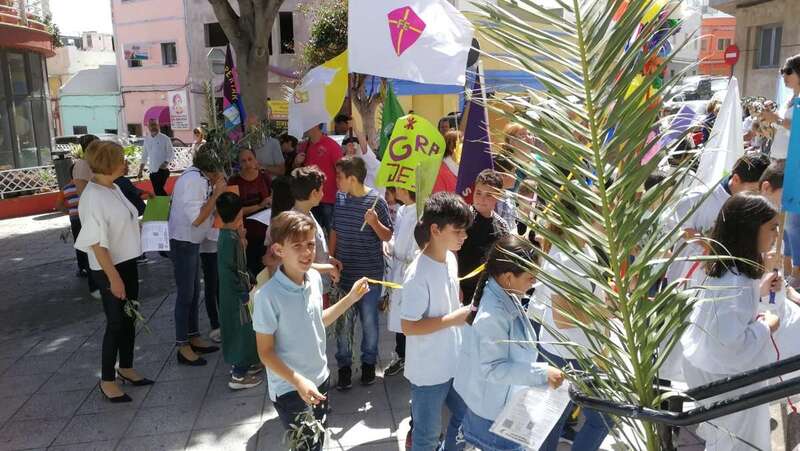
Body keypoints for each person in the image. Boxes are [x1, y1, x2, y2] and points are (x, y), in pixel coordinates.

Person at [253, 211, 370, 451]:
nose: (307, 252)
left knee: (317, 439)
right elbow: (265, 352)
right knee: (308, 445)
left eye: (310, 244)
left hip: (319, 378)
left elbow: (318, 321)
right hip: (290, 389)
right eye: (297, 246)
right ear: (278, 250)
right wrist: (298, 381)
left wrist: (350, 298)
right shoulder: (267, 297)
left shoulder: (315, 278)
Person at [681, 193, 782, 451]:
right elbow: (729, 345)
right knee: (736, 444)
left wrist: (759, 290)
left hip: (717, 375)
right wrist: (766, 326)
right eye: (772, 228)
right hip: (727, 382)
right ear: (750, 230)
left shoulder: (731, 272)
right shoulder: (735, 282)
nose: (776, 235)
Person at [454, 235, 564, 451]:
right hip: (494, 416)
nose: (533, 284)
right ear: (507, 277)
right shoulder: (492, 315)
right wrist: (541, 373)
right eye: (530, 278)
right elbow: (493, 368)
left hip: (502, 406)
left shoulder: (505, 292)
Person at [74, 140, 154, 403]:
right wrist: (113, 278)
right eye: (121, 158)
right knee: (116, 322)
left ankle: (127, 367)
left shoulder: (114, 187)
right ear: (109, 164)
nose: (126, 162)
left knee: (130, 318)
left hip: (127, 261)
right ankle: (107, 379)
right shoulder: (93, 196)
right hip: (109, 268)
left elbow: (126, 218)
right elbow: (96, 243)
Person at [534, 207, 613, 451]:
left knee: (597, 420)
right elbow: (563, 319)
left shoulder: (584, 248)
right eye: (600, 212)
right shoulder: (564, 258)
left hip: (581, 354)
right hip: (566, 356)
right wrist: (604, 311)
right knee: (551, 426)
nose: (606, 219)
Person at [401, 192, 473, 451]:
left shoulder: (451, 259)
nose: (463, 237)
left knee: (467, 418)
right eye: (458, 231)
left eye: (464, 231)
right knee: (426, 437)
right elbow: (408, 326)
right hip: (428, 372)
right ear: (435, 229)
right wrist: (454, 318)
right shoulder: (417, 274)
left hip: (454, 361)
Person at [330, 156, 393, 389]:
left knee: (369, 323)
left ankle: (368, 365)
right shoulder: (340, 198)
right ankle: (344, 368)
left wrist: (375, 223)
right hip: (344, 276)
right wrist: (330, 257)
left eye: (339, 177)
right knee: (343, 326)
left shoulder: (377, 202)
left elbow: (387, 236)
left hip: (369, 276)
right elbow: (335, 228)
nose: (336, 181)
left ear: (352, 178)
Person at [168, 146, 224, 366]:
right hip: (184, 241)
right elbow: (197, 219)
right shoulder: (194, 181)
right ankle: (182, 345)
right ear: (211, 170)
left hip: (191, 242)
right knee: (185, 294)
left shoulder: (198, 177)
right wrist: (217, 193)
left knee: (193, 292)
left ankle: (193, 336)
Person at [215, 192, 263, 390]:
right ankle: (239, 375)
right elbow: (229, 271)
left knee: (246, 329)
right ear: (238, 215)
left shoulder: (230, 235)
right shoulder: (230, 239)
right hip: (235, 296)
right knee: (240, 331)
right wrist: (242, 291)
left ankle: (249, 363)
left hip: (235, 292)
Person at [457, 169, 510, 304]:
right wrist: (455, 285)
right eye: (478, 193)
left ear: (498, 196)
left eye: (488, 195)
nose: (481, 199)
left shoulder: (502, 226)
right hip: (461, 290)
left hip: (487, 294)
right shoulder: (463, 218)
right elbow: (451, 253)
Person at [384, 187, 418, 377]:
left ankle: (410, 356)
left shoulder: (421, 211)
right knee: (398, 314)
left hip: (410, 269)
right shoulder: (403, 209)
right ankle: (401, 353)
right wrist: (390, 246)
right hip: (397, 267)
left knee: (409, 313)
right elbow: (397, 235)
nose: (395, 188)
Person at [228, 148, 272, 277]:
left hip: (265, 234)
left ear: (256, 160)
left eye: (250, 159)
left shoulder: (264, 178)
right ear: (239, 164)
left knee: (265, 272)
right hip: (244, 235)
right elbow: (232, 212)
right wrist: (259, 206)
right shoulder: (234, 181)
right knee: (248, 273)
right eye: (243, 161)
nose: (247, 163)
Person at [69, 134, 100, 298]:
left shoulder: (91, 163)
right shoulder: (82, 164)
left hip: (96, 210)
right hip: (90, 211)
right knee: (93, 250)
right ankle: (94, 286)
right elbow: (83, 192)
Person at [300, 124, 343, 232]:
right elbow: (299, 171)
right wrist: (296, 163)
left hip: (329, 199)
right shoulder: (303, 146)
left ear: (316, 125)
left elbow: (341, 171)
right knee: (312, 234)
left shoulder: (332, 145)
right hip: (309, 199)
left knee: (332, 233)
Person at [138, 119, 174, 196]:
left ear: (158, 126)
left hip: (162, 170)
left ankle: (167, 205)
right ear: (148, 127)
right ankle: (166, 205)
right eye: (151, 125)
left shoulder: (165, 138)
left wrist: (166, 162)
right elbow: (144, 155)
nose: (153, 127)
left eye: (155, 125)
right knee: (158, 192)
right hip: (152, 171)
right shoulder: (147, 139)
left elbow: (171, 153)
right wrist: (140, 170)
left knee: (158, 190)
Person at [342, 127, 382, 195]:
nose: (353, 147)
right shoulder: (344, 166)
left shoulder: (374, 165)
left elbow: (365, 152)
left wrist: (355, 127)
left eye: (357, 142)